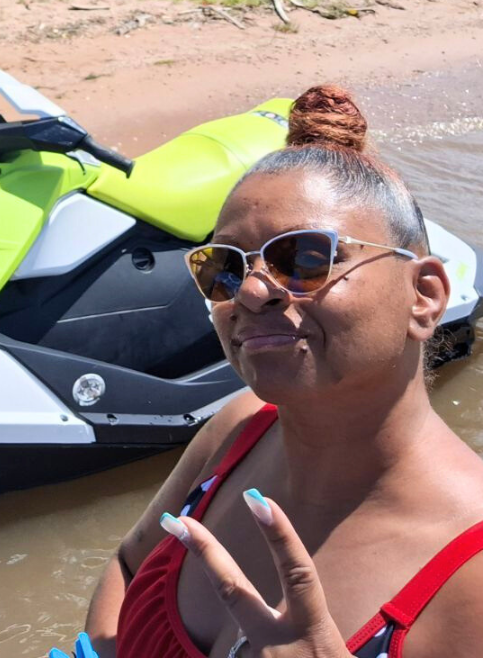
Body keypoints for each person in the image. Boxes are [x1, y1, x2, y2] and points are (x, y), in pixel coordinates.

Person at [83, 84, 483, 658]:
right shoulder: (239, 429)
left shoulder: (471, 571)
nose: (249, 292)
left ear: (423, 296)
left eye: (304, 258)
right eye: (224, 267)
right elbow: (128, 564)